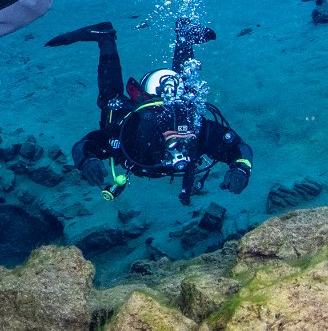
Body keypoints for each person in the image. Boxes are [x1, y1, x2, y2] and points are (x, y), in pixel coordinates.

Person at [47, 18, 253, 203]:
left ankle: (184, 36)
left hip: (165, 104)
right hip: (136, 119)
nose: (176, 136)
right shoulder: (130, 131)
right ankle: (105, 38)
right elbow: (85, 144)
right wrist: (87, 161)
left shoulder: (195, 125)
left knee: (186, 89)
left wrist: (241, 169)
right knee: (111, 100)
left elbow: (238, 148)